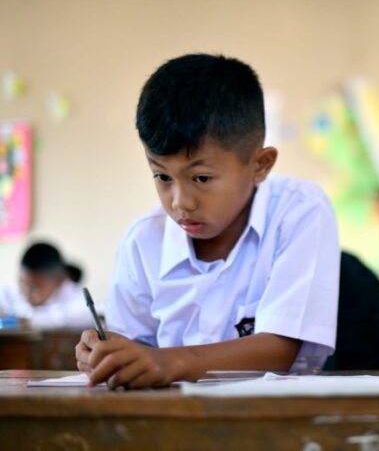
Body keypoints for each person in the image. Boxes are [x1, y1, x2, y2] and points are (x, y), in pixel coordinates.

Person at [75, 54, 340, 389]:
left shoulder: (299, 210)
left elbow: (280, 348)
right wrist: (110, 355)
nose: (180, 202)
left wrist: (168, 362)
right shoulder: (143, 241)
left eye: (201, 178)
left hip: (275, 414)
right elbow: (135, 350)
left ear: (260, 165)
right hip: (169, 417)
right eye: (162, 176)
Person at [0, 241, 91, 329]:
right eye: (22, 284)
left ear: (59, 281)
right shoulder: (9, 290)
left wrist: (26, 321)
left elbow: (85, 317)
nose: (26, 294)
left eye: (34, 289)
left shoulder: (77, 297)